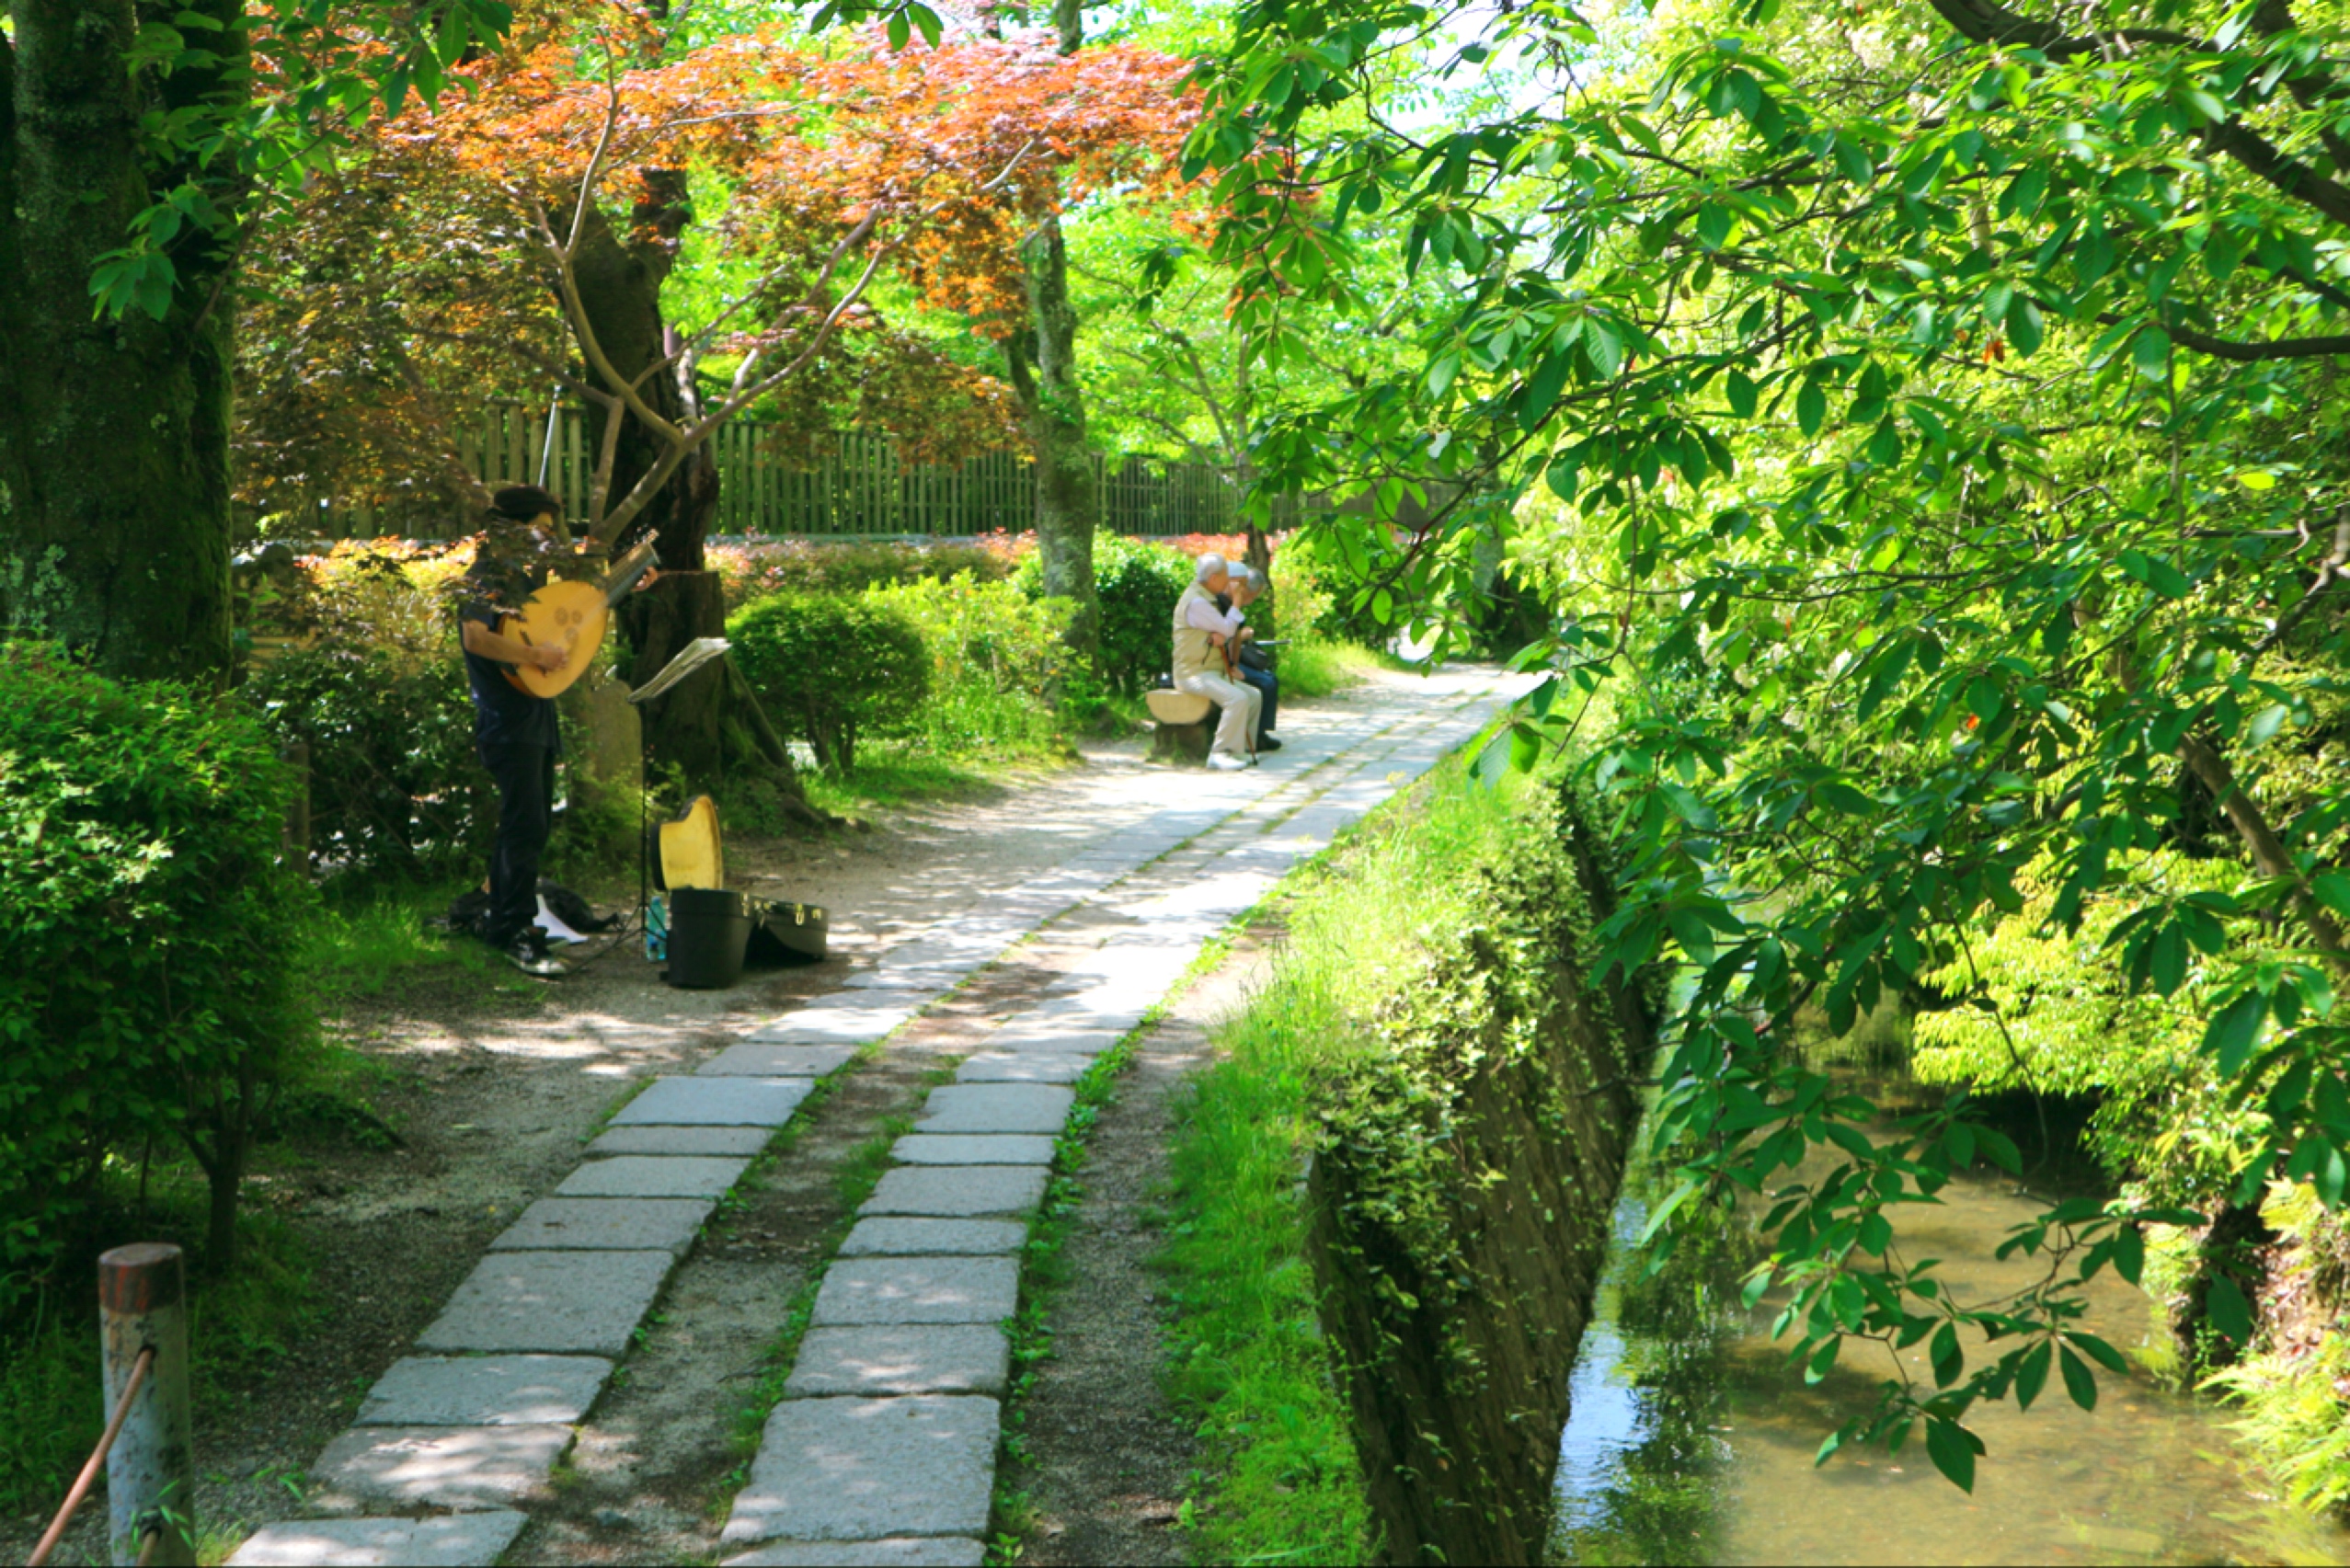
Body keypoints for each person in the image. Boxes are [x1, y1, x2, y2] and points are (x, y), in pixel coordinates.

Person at [456, 484, 574, 977]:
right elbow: (476, 637)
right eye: (542, 530)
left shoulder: (523, 581)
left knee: (531, 826)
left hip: (535, 718)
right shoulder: (486, 577)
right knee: (523, 827)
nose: (547, 540)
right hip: (507, 720)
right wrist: (536, 656)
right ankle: (515, 931)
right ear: (515, 529)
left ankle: (506, 924)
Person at [1172, 552, 1262, 772]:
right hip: (1193, 673)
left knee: (1253, 696)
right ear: (1214, 578)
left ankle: (1238, 750)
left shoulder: (1206, 597)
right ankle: (1220, 753)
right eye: (1226, 577)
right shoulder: (1197, 602)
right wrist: (1237, 604)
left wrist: (1223, 633)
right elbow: (1228, 628)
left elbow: (1225, 632)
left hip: (1210, 671)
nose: (1230, 583)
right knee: (1237, 698)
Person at [1221, 565, 1281, 753]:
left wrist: (1235, 664)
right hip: (1218, 665)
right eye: (1253, 595)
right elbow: (1229, 636)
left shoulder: (1234, 606)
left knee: (1270, 679)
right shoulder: (1220, 603)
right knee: (1264, 682)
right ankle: (1256, 735)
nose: (1252, 600)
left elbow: (1236, 639)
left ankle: (1260, 733)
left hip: (1231, 663)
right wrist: (1232, 665)